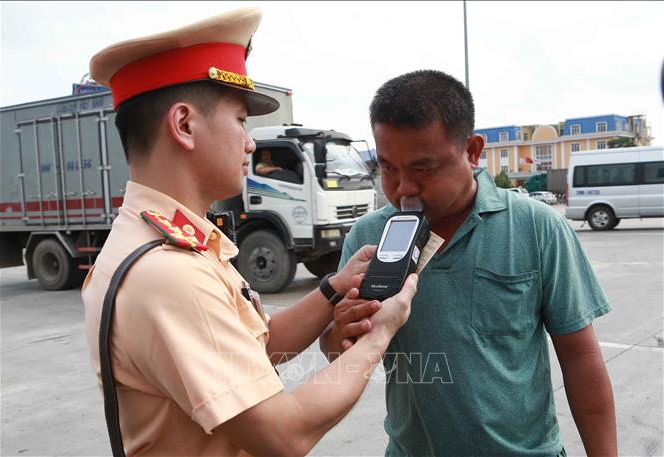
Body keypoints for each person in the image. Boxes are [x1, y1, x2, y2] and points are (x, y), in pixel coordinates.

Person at [82, 8, 417, 456]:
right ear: (184, 125)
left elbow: (259, 349)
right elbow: (285, 433)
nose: (251, 142)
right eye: (240, 120)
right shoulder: (167, 274)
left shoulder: (162, 244)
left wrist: (335, 289)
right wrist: (382, 331)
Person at [321, 70, 617, 456]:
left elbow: (580, 358)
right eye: (389, 168)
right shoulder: (367, 239)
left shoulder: (536, 227)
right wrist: (340, 332)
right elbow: (337, 351)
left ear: (473, 150)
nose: (403, 188)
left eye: (424, 169)